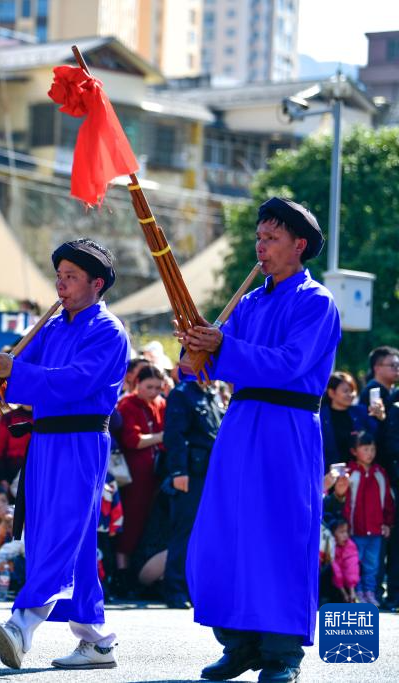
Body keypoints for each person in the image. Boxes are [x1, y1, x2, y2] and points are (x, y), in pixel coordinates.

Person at [179, 197, 340, 682]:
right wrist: (194, 351)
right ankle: (239, 642)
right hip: (241, 423)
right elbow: (204, 368)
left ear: (300, 245)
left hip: (288, 428)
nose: (261, 246)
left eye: (271, 238)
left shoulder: (317, 302)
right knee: (226, 530)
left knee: (280, 534)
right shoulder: (249, 302)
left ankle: (282, 651)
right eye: (258, 237)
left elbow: (290, 363)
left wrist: (222, 346)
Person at [0, 238, 129, 671]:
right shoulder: (54, 327)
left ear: (97, 283)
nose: (60, 285)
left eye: (71, 277)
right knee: (65, 536)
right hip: (44, 441)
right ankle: (96, 641)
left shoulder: (108, 330)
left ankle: (22, 624)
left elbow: (75, 381)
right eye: (59, 276)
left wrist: (13, 372)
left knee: (61, 530)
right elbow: (19, 377)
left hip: (82, 441)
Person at [162, 377, 224, 610]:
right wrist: (178, 471)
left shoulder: (209, 393)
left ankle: (195, 587)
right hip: (191, 472)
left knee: (206, 533)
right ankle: (175, 590)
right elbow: (175, 435)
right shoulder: (182, 393)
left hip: (209, 471)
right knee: (185, 532)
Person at [114, 364, 167, 576]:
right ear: (138, 384)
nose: (154, 392)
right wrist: (163, 436)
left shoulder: (161, 403)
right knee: (131, 523)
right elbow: (133, 440)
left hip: (156, 474)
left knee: (150, 523)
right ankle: (122, 574)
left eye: (158, 387)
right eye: (149, 387)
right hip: (135, 476)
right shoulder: (127, 405)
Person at [344, 430, 394, 606]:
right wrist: (346, 526)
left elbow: (387, 501)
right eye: (365, 449)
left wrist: (387, 523)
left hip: (375, 530)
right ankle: (356, 593)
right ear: (354, 451)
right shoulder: (350, 473)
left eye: (372, 449)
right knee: (354, 564)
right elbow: (346, 503)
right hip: (354, 529)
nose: (370, 453)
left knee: (372, 565)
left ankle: (370, 592)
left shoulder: (380, 473)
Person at [321, 372, 378, 473]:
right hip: (330, 473)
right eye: (346, 391)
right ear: (331, 393)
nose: (351, 394)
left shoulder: (361, 412)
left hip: (360, 474)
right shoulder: (321, 416)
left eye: (353, 390)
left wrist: (380, 417)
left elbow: (375, 435)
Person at [0, 404, 32, 489]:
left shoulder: (45, 418)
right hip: (11, 471)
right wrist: (2, 478)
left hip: (36, 469)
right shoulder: (9, 418)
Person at [329, 519, 359, 603]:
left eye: (346, 532)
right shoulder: (329, 545)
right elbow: (336, 571)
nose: (345, 535)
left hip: (349, 584)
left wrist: (352, 593)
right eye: (341, 532)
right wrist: (344, 594)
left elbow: (351, 569)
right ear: (333, 534)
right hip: (335, 585)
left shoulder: (350, 545)